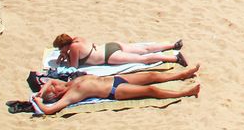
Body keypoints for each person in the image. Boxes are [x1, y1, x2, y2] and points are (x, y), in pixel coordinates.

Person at [32, 65, 201, 115]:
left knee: (150, 75)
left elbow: (51, 80)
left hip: (115, 78)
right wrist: (40, 102)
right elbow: (49, 110)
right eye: (54, 88)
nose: (54, 84)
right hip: (114, 90)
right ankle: (186, 92)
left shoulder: (66, 84)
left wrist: (40, 92)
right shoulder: (69, 95)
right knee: (151, 89)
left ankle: (182, 74)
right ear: (56, 94)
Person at [53, 35, 183, 68]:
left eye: (60, 48)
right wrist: (66, 54)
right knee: (145, 49)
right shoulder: (77, 39)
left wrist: (66, 56)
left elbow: (73, 67)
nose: (60, 51)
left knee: (142, 59)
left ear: (64, 45)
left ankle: (175, 58)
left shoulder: (74, 48)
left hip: (109, 56)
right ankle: (174, 45)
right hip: (110, 46)